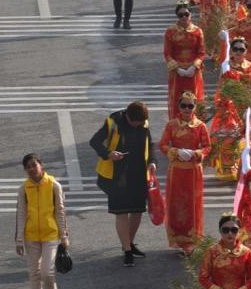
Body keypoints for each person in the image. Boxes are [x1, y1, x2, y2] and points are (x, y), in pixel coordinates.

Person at [90, 100, 157, 266]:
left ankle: (129, 243)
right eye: (135, 122)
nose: (137, 125)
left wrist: (152, 161)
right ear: (128, 116)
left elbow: (150, 144)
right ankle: (127, 251)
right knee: (121, 212)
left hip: (139, 174)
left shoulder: (143, 123)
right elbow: (94, 142)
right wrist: (108, 153)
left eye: (140, 123)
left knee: (137, 211)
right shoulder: (113, 122)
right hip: (117, 176)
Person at [14, 153, 69, 289]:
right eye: (28, 167)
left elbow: (60, 212)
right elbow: (21, 214)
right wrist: (19, 240)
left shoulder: (54, 186)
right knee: (34, 273)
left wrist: (64, 236)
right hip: (31, 236)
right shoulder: (24, 189)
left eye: (34, 165)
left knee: (47, 271)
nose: (31, 169)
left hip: (50, 234)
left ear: (41, 165)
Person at [158, 93, 211, 254]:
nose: (187, 109)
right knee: (176, 204)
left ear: (195, 107)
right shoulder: (172, 125)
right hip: (176, 171)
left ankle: (191, 240)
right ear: (179, 107)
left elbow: (207, 147)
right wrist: (175, 151)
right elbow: (162, 145)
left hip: (193, 172)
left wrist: (196, 153)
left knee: (192, 205)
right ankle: (178, 239)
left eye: (190, 106)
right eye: (184, 106)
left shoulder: (200, 126)